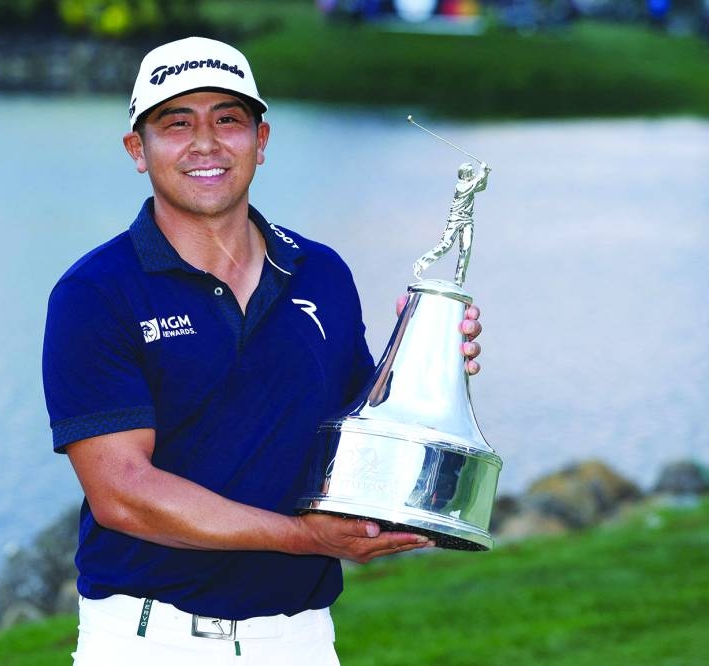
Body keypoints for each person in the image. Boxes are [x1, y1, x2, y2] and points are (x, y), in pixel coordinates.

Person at [41, 36, 482, 665]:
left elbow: (355, 441)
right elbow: (123, 495)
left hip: (299, 639)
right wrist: (304, 538)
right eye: (176, 123)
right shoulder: (95, 294)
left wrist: (425, 365)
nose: (205, 143)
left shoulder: (321, 272)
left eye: (228, 119)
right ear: (138, 150)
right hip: (148, 641)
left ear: (261, 140)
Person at [413, 161, 491, 286]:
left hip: (467, 221)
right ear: (465, 175)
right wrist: (482, 171)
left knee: (466, 250)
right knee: (445, 246)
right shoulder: (460, 187)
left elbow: (481, 187)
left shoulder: (470, 185)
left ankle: (459, 281)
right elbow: (476, 182)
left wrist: (486, 174)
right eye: (471, 172)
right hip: (455, 220)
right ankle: (420, 264)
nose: (474, 173)